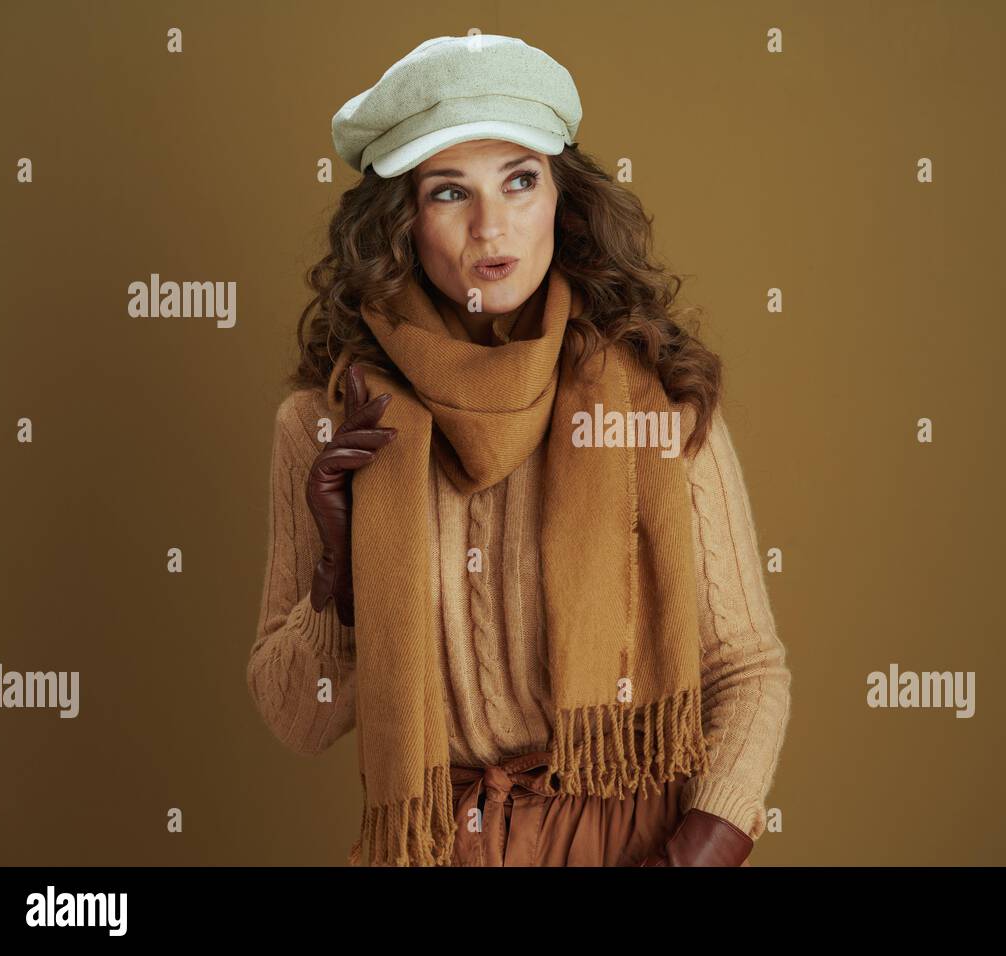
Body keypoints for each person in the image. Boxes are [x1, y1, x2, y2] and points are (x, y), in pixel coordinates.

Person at [246, 34, 791, 867]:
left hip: (629, 842)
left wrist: (692, 856)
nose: (490, 227)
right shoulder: (328, 425)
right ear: (400, 221)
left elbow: (748, 671)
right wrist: (339, 575)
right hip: (434, 848)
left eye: (520, 180)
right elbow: (298, 721)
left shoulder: (652, 400)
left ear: (563, 202)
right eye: (449, 192)